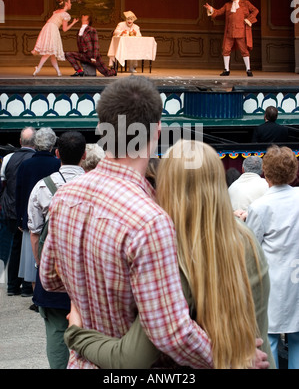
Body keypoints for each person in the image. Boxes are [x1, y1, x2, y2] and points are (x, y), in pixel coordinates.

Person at [40, 76, 270, 370]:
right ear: (157, 131)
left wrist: (86, 298)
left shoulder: (65, 196)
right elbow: (171, 332)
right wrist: (232, 359)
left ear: (102, 130)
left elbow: (49, 279)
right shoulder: (149, 219)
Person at [64, 140, 275, 369]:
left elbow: (130, 358)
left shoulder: (172, 253)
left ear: (167, 185)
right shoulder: (247, 239)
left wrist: (76, 334)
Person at [27, 131, 86, 369]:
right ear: (84, 156)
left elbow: (34, 232)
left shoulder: (43, 187)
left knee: (55, 332)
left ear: (57, 153)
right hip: (88, 273)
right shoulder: (97, 186)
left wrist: (41, 265)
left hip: (53, 272)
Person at [246, 145, 299, 369]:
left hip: (273, 281)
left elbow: (251, 247)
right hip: (297, 276)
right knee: (297, 338)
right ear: (294, 173)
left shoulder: (259, 206)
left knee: (270, 339)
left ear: (265, 173)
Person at [16, 127, 60, 308]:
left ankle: (37, 297)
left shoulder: (25, 165)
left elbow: (19, 192)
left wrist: (21, 218)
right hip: (53, 217)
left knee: (34, 259)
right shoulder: (57, 164)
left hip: (30, 217)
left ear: (35, 144)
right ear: (52, 146)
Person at [0, 127, 36, 296]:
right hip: (30, 210)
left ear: (20, 141)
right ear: (35, 142)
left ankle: (12, 286)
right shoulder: (34, 158)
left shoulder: (8, 158)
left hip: (11, 209)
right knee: (30, 248)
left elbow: (4, 181)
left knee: (14, 247)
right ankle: (28, 286)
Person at [204, 0, 259, 77]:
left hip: (241, 32)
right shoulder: (227, 5)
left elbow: (255, 10)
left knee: (244, 50)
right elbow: (218, 12)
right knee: (226, 50)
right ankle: (226, 70)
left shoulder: (245, 3)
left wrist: (249, 19)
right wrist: (210, 9)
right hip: (229, 32)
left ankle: (248, 69)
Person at [31, 0, 79, 76]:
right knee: (49, 51)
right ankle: (38, 68)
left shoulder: (57, 12)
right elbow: (65, 29)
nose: (71, 5)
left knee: (52, 53)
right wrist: (73, 23)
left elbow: (50, 21)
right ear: (66, 4)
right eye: (70, 3)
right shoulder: (65, 15)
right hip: (52, 29)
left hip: (47, 27)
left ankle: (58, 72)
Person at [65, 13, 117, 78]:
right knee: (68, 54)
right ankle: (79, 71)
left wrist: (94, 57)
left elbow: (96, 44)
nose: (83, 17)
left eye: (85, 17)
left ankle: (113, 71)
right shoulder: (79, 31)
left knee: (107, 73)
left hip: (92, 56)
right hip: (84, 55)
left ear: (88, 20)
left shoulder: (92, 30)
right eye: (82, 17)